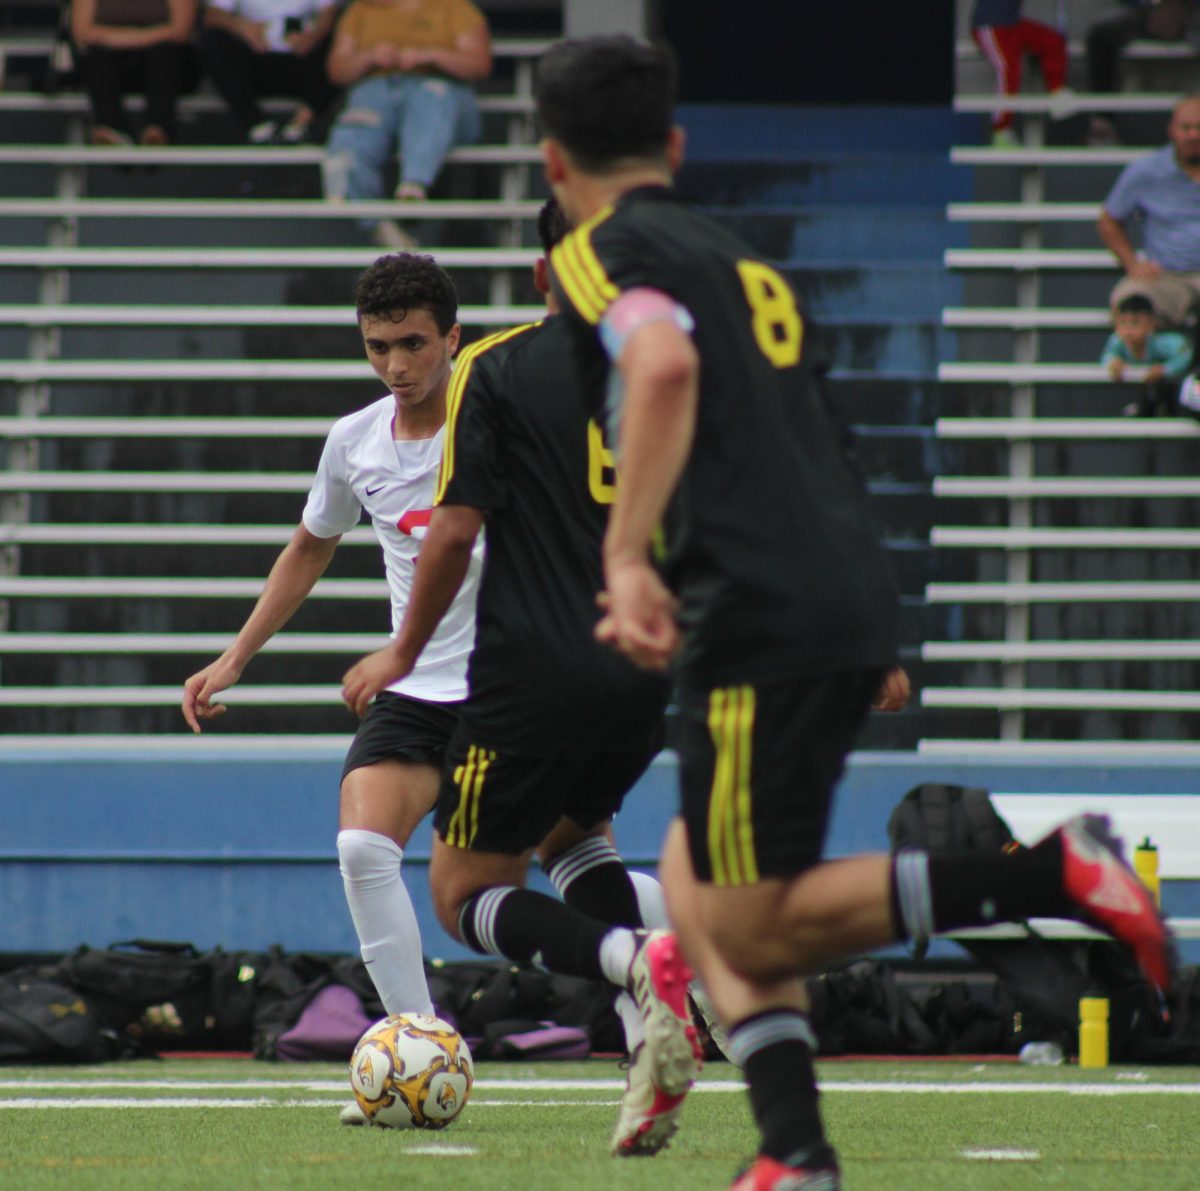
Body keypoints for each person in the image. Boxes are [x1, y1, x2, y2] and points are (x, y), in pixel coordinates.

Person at [533, 35, 1176, 1190]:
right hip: (833, 583)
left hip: (755, 613)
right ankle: (795, 1148)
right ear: (673, 148)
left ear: (550, 160)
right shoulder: (740, 255)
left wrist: (627, 559)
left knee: (742, 923)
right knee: (689, 875)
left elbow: (662, 367)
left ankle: (1049, 876)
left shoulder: (598, 250)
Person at [340, 198, 707, 1157]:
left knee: (465, 889)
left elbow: (454, 529)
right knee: (578, 836)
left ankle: (636, 961)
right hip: (645, 668)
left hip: (532, 669)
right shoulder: (690, 366)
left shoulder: (498, 368)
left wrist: (400, 652)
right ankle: (646, 1051)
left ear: (545, 275)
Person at [181, 254, 482, 1123]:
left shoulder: (498, 420)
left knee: (568, 870)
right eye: (378, 346)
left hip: (515, 689)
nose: (396, 364)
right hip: (416, 688)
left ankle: (677, 973)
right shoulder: (355, 440)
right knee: (361, 848)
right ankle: (412, 1050)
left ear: (452, 338)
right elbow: (310, 545)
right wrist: (235, 656)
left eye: (414, 343)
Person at [322, 0, 492, 249]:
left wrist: (431, 55)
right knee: (346, 146)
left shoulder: (455, 7)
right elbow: (337, 71)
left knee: (432, 97)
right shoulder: (361, 10)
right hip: (376, 90)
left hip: (437, 88)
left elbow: (479, 65)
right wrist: (370, 57)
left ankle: (413, 188)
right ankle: (378, 225)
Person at [198, 0, 340, 144]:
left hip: (302, 60)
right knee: (212, 40)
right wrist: (242, 27)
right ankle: (256, 124)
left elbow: (330, 12)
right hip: (256, 56)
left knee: (338, 42)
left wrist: (314, 36)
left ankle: (301, 122)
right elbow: (213, 14)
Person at [70, 0, 199, 146]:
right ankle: (112, 129)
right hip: (115, 64)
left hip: (164, 65)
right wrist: (146, 37)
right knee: (95, 55)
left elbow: (180, 31)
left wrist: (115, 37)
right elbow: (82, 32)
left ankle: (158, 130)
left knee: (166, 53)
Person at [1084, 1, 1197, 146]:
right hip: (1145, 9)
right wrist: (1154, 6)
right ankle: (1103, 122)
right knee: (1102, 32)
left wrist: (1180, 6)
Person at [970, 0, 1070, 148]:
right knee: (1008, 72)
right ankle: (1001, 131)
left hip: (1012, 23)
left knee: (1052, 41)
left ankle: (1057, 93)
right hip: (991, 24)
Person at [1102, 292, 1194, 414]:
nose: (1128, 329)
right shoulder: (1116, 341)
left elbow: (1185, 354)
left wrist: (1165, 369)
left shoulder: (1164, 344)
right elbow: (1108, 354)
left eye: (1135, 323)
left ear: (1151, 324)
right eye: (1123, 323)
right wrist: (1113, 363)